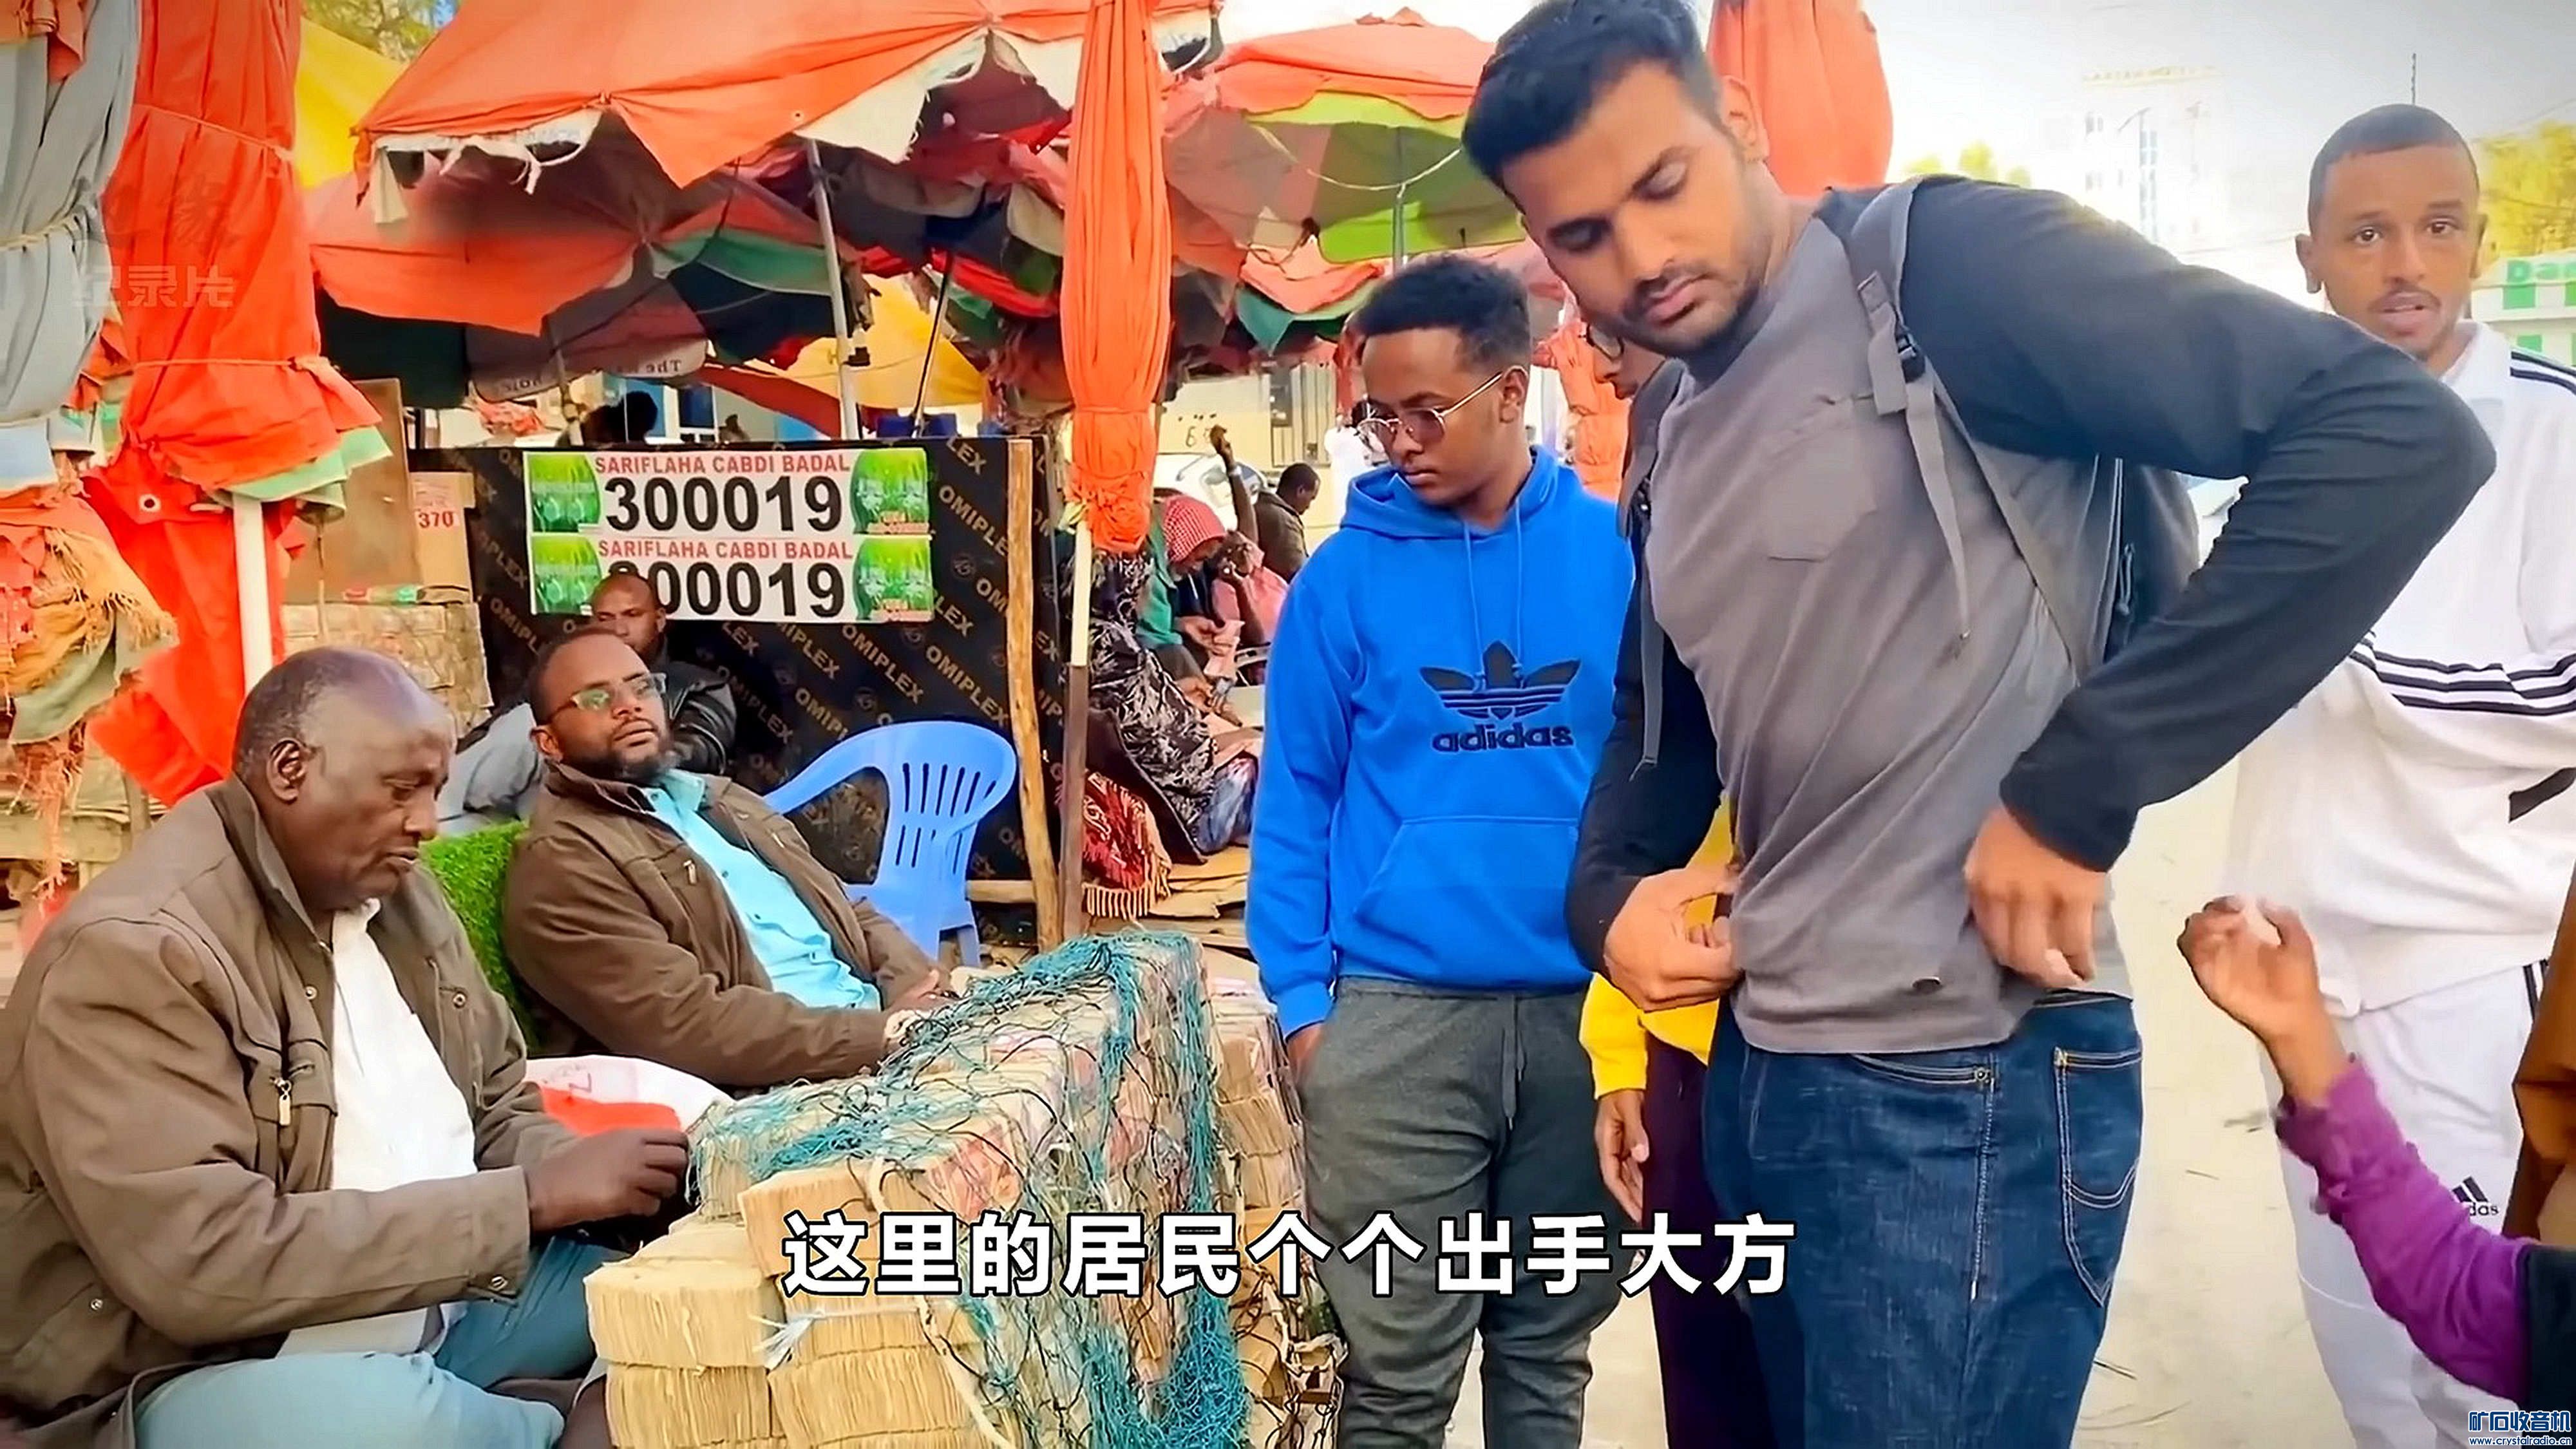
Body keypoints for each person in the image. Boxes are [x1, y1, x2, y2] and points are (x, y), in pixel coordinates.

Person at [1462, 1, 2496, 1442]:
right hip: (1761, 1070)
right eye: (1582, 235)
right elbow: (1664, 720)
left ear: (1740, 126)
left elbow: (2389, 437)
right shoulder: (1673, 419)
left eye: (1663, 185)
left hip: (1961, 1089)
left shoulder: (1943, 270)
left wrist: (2078, 787)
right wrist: (1605, 905)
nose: (1640, 256)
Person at [0, 648, 691, 1449]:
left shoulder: (395, 894)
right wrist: (528, 1200)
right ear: (291, 770)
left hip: (444, 1302)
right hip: (211, 1366)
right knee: (396, 1422)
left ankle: (544, 1411)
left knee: (677, 1295)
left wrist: (609, 1184)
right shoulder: (138, 953)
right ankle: (556, 1421)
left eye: (434, 790)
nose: (427, 822)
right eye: (401, 790)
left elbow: (495, 1105)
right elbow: (202, 1264)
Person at [2216, 104, 2576, 1449]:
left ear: (2480, 243)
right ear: (2309, 257)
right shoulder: (2278, 441)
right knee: (2366, 1362)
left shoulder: (2549, 430)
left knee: (2494, 1379)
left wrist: (2338, 628)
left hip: (2472, 972)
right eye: (2365, 235)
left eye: (2436, 226)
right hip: (2303, 982)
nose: (2405, 262)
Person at [1248, 254, 1632, 1449]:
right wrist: (1309, 1013)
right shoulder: (1341, 582)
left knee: (1546, 1355)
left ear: (1513, 392)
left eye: (1428, 412)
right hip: (1396, 1026)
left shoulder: (1618, 555)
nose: (1399, 442)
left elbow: (1667, 781)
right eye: (1380, 416)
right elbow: (1296, 800)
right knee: (1395, 1378)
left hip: (1588, 1016)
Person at [1575, 325, 1774, 1449]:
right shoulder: (1664, 528)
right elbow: (1646, 817)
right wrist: (1622, 1056)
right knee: (1709, 1384)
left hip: (1868, 1049)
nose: (1598, 356)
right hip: (1688, 1046)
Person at [499, 629, 944, 1092]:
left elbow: (849, 910)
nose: (629, 706)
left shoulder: (724, 801)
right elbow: (686, 1025)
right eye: (596, 698)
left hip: (884, 1039)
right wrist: (880, 1035)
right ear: (549, 743)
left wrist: (919, 997)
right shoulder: (564, 863)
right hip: (787, 1088)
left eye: (642, 686)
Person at [2179, 898, 2576, 1415]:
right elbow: (2453, 1287)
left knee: (2475, 1420)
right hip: (2370, 978)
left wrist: (2302, 1039)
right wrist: (2301, 1038)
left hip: (2461, 964)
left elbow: (2452, 1290)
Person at [441, 571, 738, 833]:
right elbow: (491, 735)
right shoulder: (559, 683)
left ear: (659, 620)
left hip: (643, 805)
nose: (619, 629)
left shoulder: (698, 684)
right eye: (605, 618)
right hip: (551, 800)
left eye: (632, 615)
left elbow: (701, 750)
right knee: (522, 722)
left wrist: (630, 749)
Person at [1256, 462, 1321, 583]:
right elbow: (1296, 571)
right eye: (1311, 498)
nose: (1309, 506)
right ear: (1301, 491)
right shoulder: (1284, 522)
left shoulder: (1261, 508)